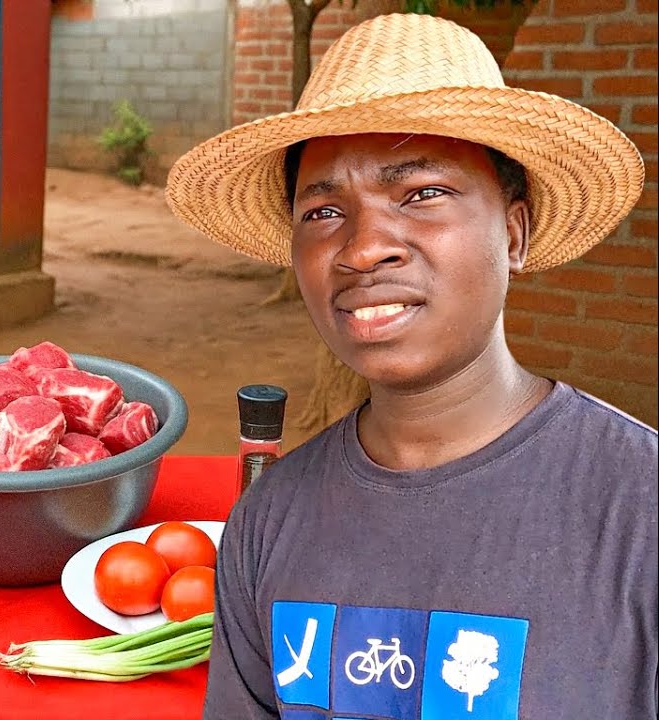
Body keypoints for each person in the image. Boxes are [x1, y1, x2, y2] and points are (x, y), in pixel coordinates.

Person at [166, 13, 657, 720]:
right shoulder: (270, 520)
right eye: (324, 210)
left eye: (422, 193)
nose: (363, 249)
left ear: (513, 234)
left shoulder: (640, 509)